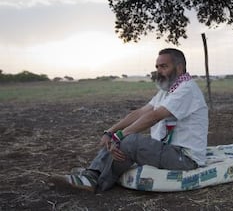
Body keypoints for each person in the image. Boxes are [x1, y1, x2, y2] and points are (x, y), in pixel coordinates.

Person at [55, 48, 209, 192]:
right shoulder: (169, 90)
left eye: (164, 66)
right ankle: (91, 173)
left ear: (179, 68)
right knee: (118, 139)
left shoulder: (186, 89)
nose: (158, 72)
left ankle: (97, 182)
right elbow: (140, 113)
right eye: (157, 67)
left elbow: (153, 117)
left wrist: (120, 136)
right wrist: (110, 132)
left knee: (130, 141)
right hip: (169, 150)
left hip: (185, 158)